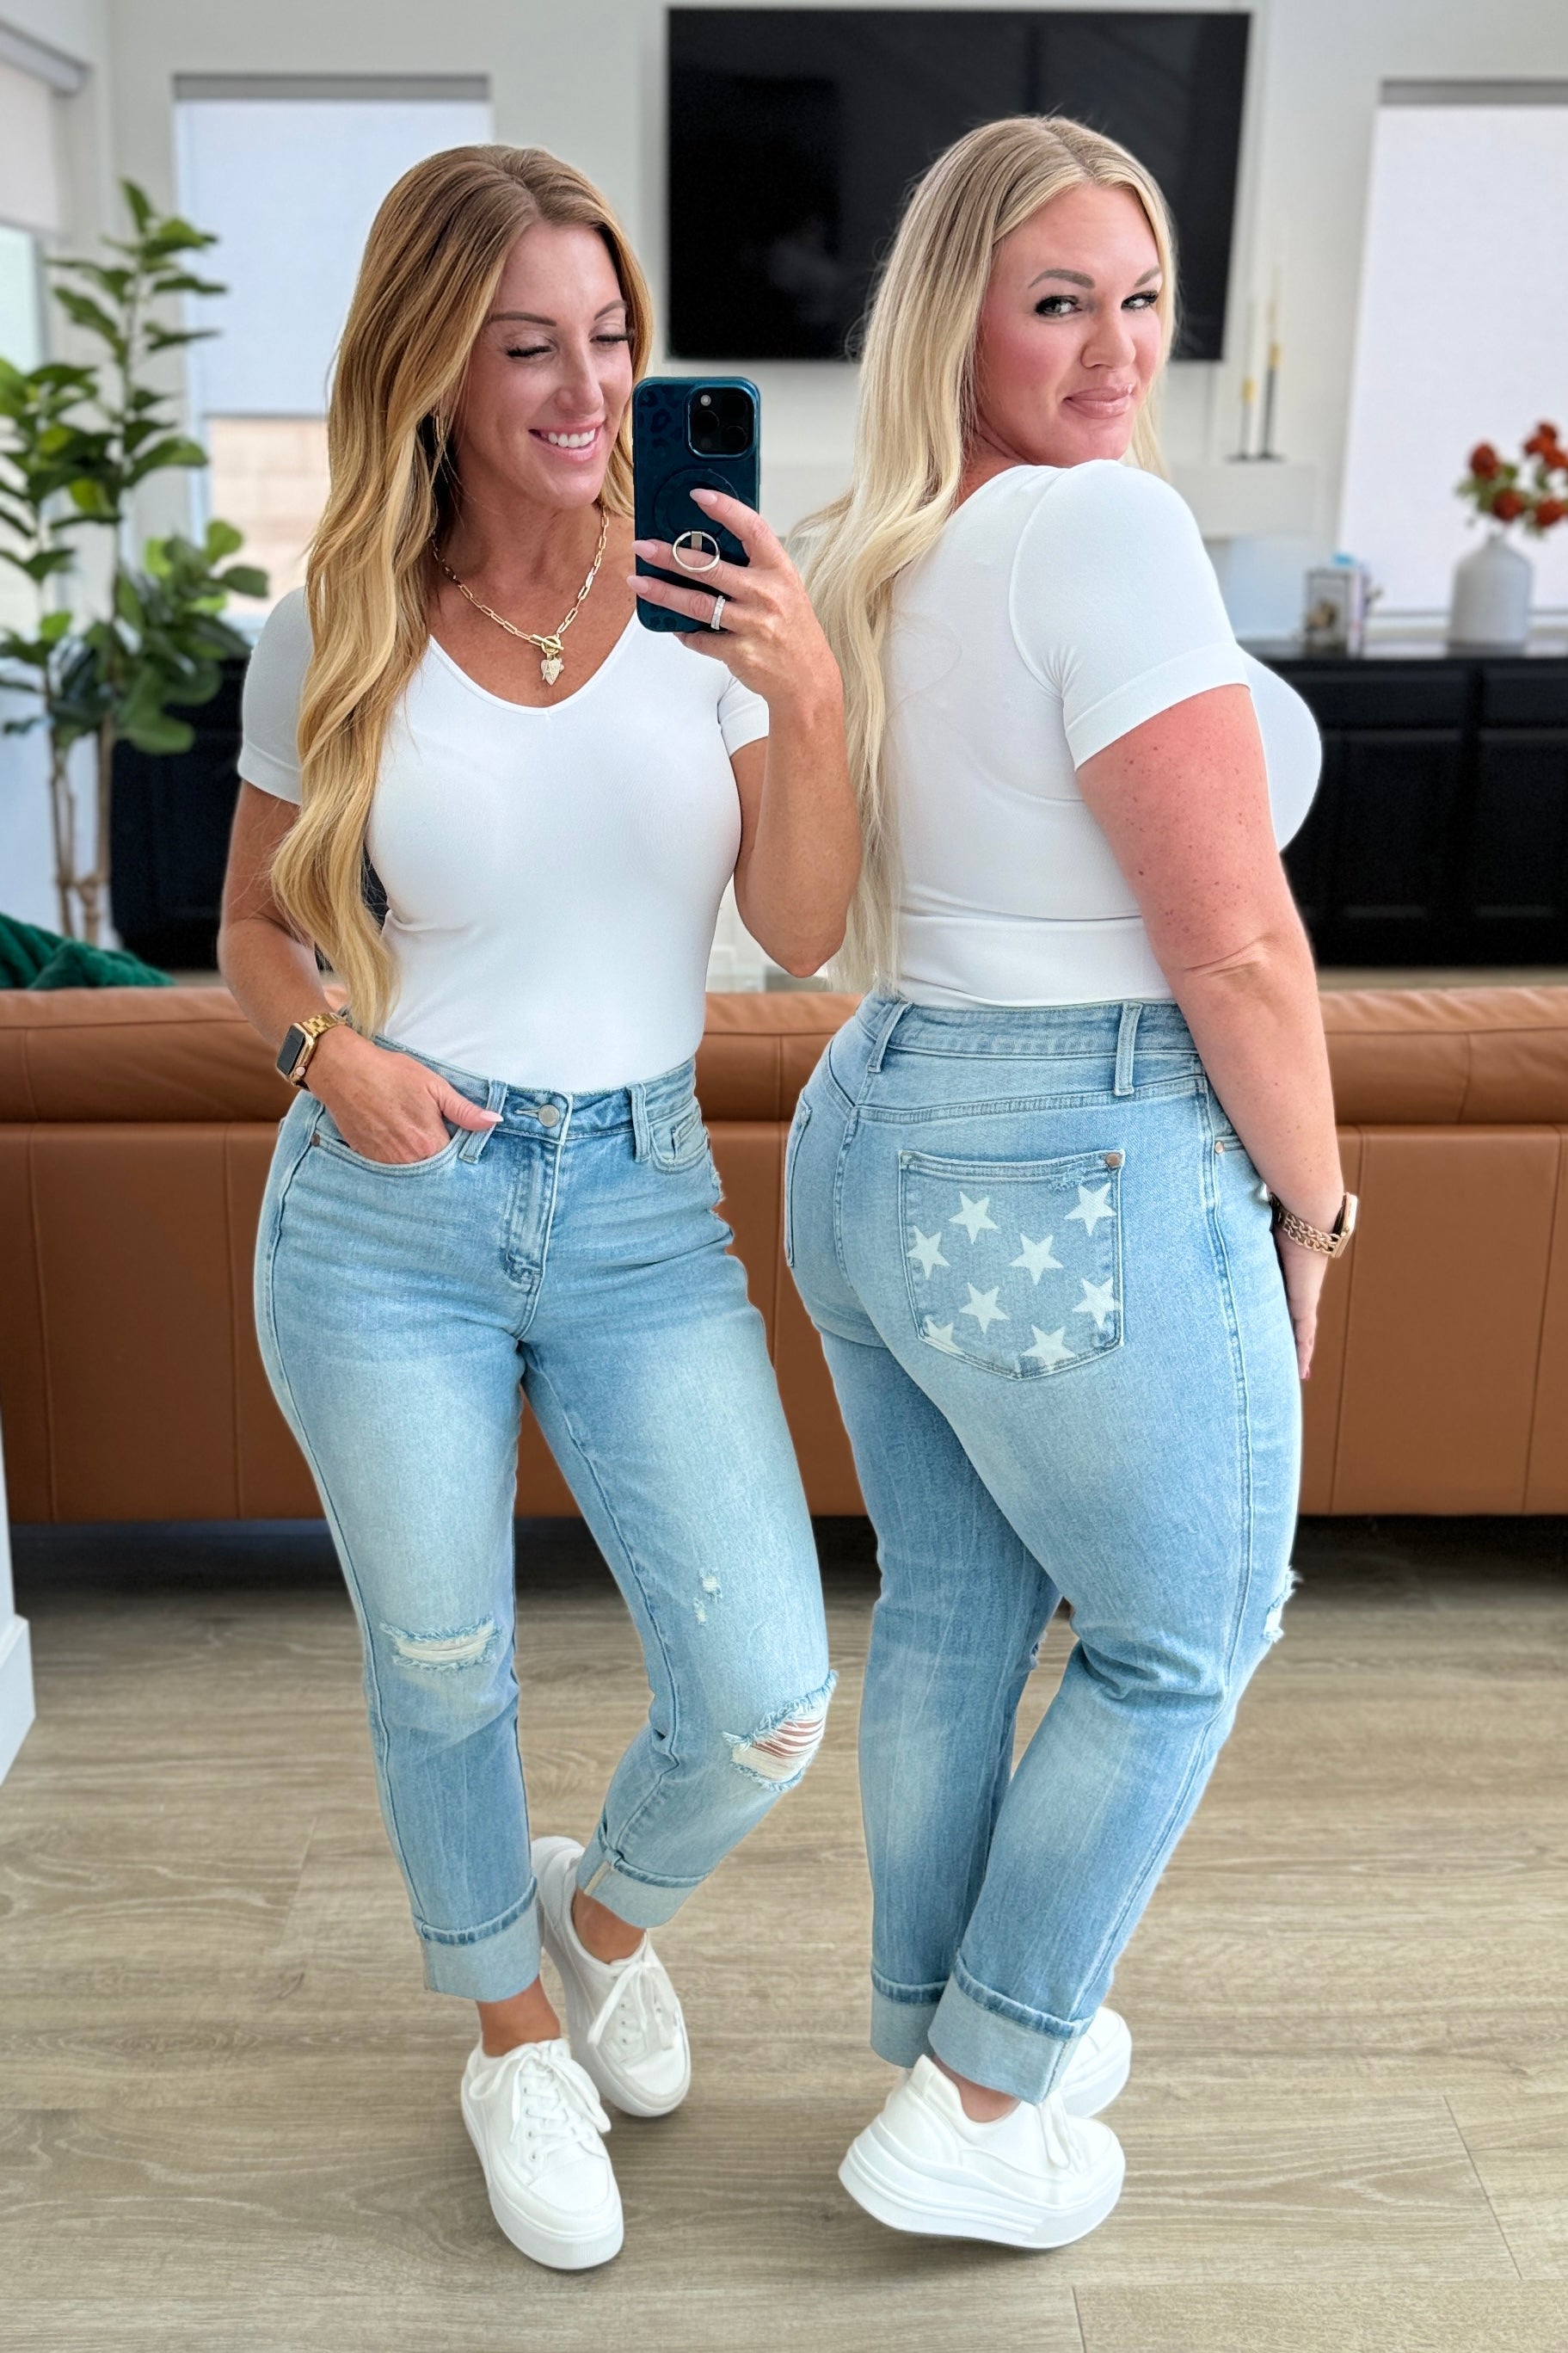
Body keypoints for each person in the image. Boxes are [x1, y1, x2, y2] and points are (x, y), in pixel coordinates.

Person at [218, 144, 858, 2272]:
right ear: (431, 366)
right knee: (442, 1662)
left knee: (766, 1694)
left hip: (643, 1203)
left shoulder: (709, 605)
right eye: (527, 348)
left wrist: (808, 692)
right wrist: (331, 1052)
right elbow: (251, 931)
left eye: (611, 337)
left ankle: (594, 1927)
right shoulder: (334, 622)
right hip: (383, 1209)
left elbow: (802, 926)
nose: (588, 390)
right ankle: (507, 2039)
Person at [787, 114, 1344, 2250]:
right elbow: (1235, 946)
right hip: (1069, 1144)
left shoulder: (876, 548)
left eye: (1143, 301)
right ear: (959, 321)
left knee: (955, 1609)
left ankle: (951, 2034)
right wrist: (1316, 1204)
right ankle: (978, 2093)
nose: (1116, 352)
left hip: (879, 1119)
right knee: (1189, 1636)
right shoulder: (1106, 529)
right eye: (1057, 303)